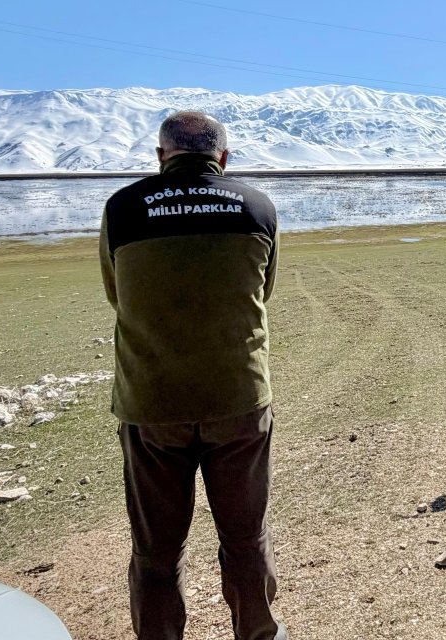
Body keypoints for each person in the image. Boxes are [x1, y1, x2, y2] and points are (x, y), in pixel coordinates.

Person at [99, 111, 285, 640]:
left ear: (162, 157)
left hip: (151, 404)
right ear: (223, 158)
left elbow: (118, 295)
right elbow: (262, 291)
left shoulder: (123, 208)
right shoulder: (257, 206)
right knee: (246, 539)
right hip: (239, 398)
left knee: (156, 552)